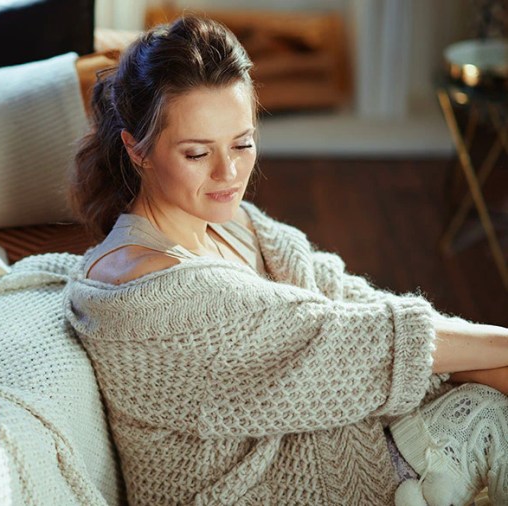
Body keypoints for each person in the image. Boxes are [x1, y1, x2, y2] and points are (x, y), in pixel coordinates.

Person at [63, 14, 508, 506]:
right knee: (490, 410)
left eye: (243, 143)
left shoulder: (234, 224)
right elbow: (358, 342)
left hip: (341, 433)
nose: (228, 172)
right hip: (270, 488)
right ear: (137, 150)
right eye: (196, 154)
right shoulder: (153, 293)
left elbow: (350, 300)